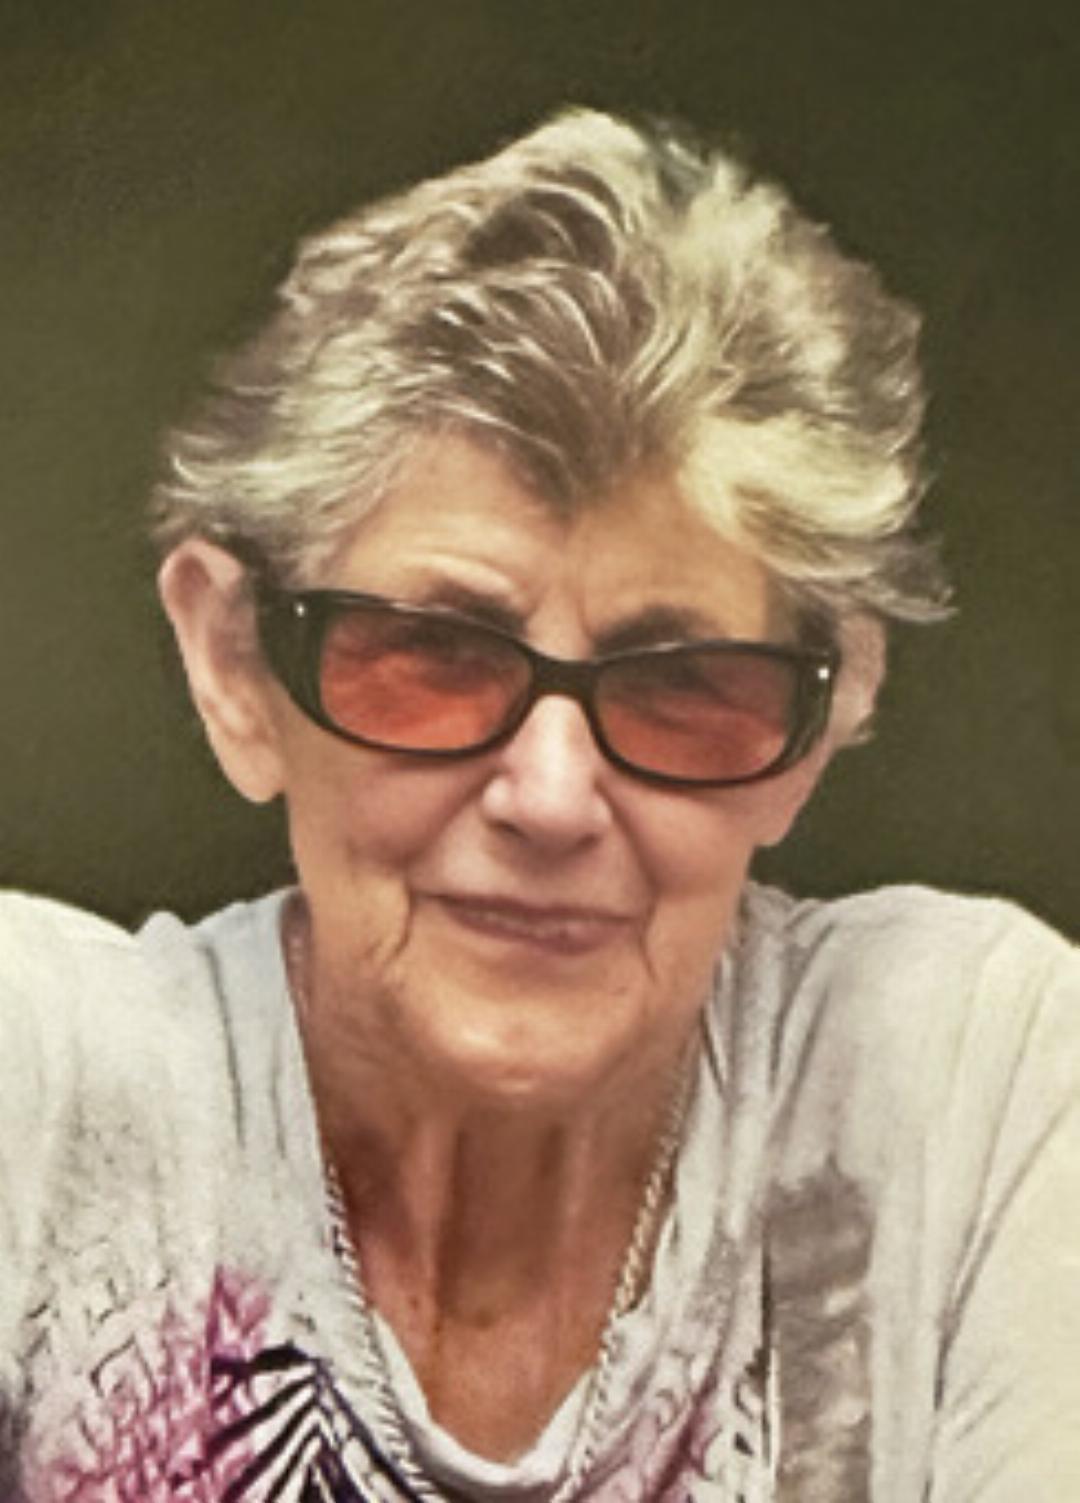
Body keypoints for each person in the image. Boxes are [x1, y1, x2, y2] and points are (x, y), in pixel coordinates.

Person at [1, 109, 1077, 1503]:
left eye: (684, 685)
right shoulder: (39, 1086)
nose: (553, 798)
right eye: (432, 658)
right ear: (236, 668)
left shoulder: (963, 1089)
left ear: (817, 725)